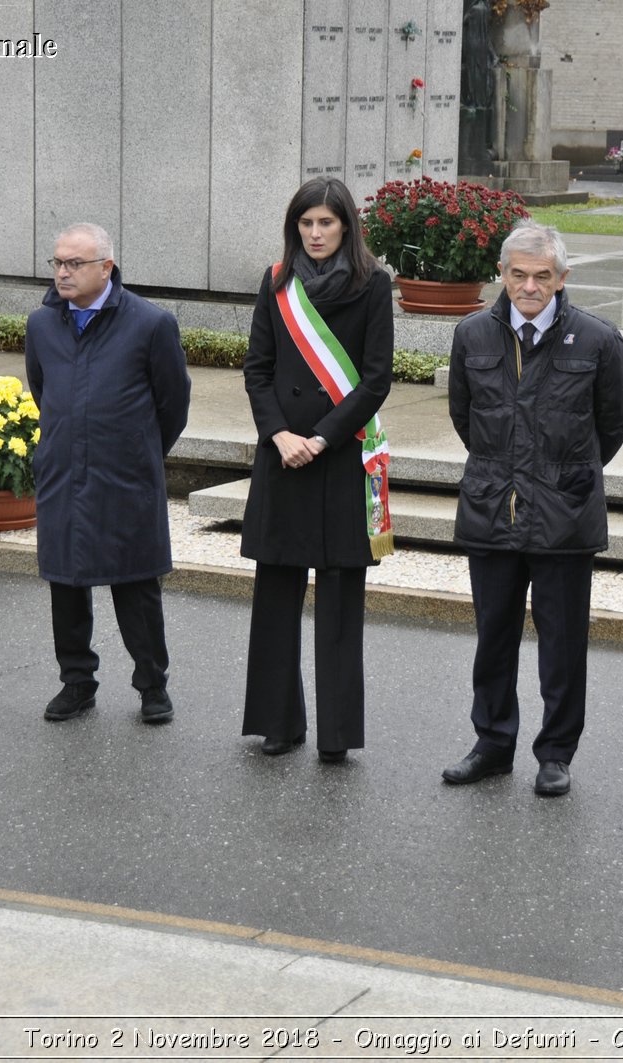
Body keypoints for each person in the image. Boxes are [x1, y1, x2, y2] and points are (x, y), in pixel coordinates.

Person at [442, 220, 623, 797]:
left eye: (542, 276)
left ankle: (555, 752)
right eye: (518, 274)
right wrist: (502, 469)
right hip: (491, 505)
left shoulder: (599, 340)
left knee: (562, 642)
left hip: (564, 512)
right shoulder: (472, 334)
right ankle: (493, 743)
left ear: (563, 277)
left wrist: (563, 476)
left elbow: (614, 425)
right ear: (502, 274)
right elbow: (464, 417)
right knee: (493, 636)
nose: (529, 287)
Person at [239, 177, 394, 762]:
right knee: (276, 596)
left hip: (339, 456)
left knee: (338, 604)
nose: (316, 233)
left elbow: (377, 377)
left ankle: (336, 734)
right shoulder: (277, 282)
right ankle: (278, 723)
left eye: (327, 222)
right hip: (282, 457)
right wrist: (279, 433)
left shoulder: (373, 284)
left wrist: (321, 437)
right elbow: (258, 367)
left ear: (347, 226)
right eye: (307, 223)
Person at [25, 223, 191, 724]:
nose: (63, 273)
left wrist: (139, 452)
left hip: (126, 477)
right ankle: (77, 682)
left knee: (135, 583)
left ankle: (152, 686)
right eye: (57, 262)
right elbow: (42, 390)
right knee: (66, 582)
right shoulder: (42, 324)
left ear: (106, 268)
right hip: (63, 474)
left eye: (74, 264)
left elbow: (173, 404)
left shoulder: (150, 323)